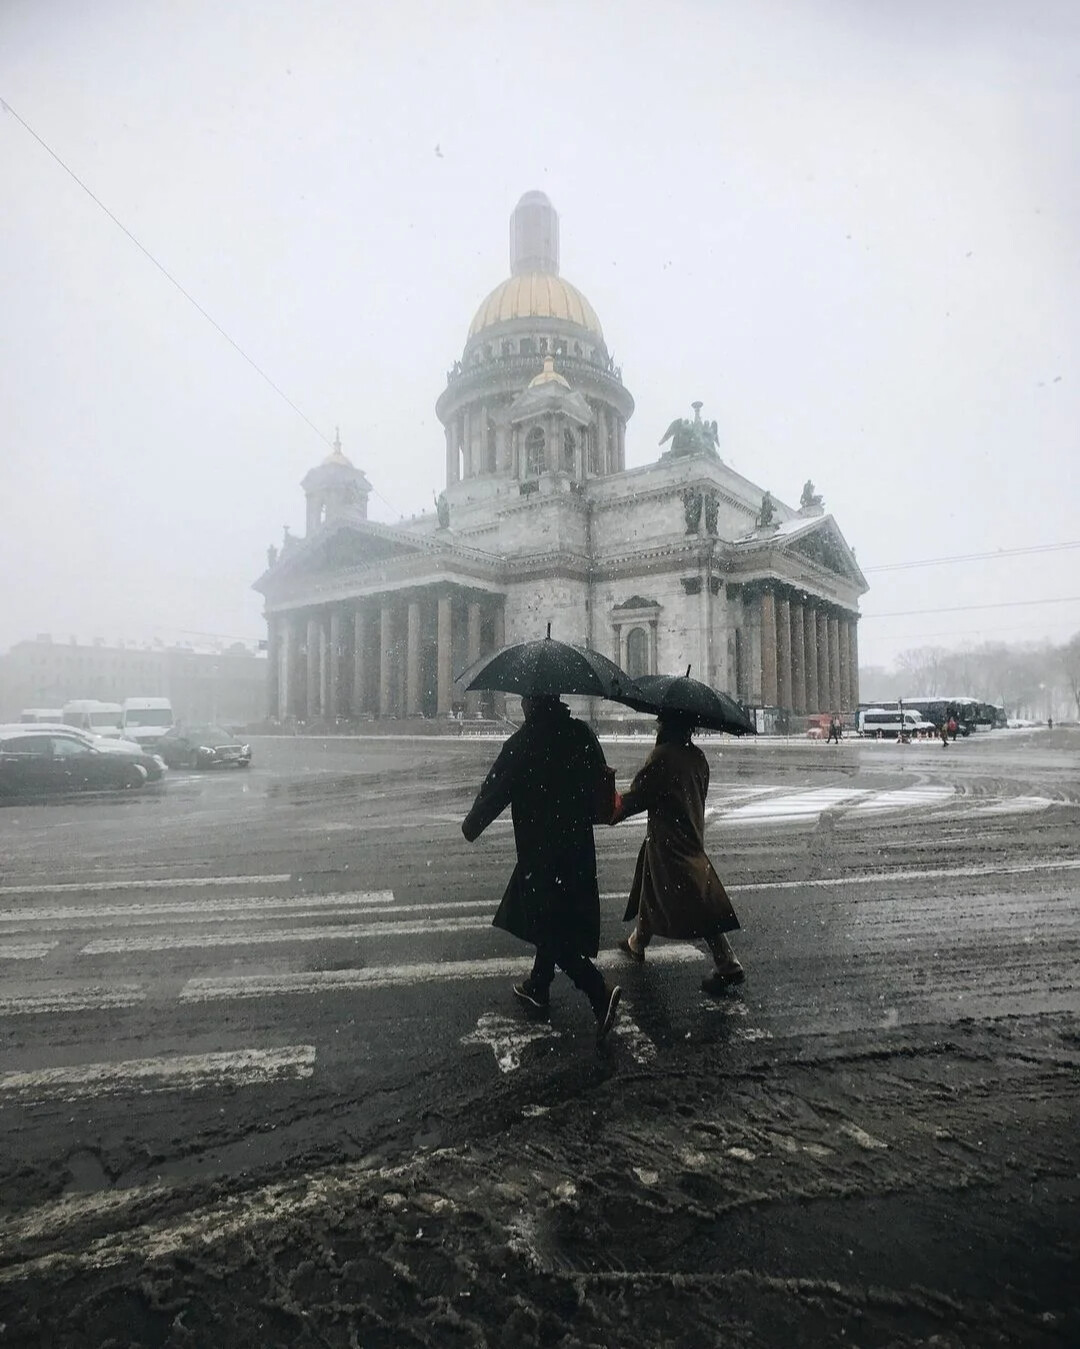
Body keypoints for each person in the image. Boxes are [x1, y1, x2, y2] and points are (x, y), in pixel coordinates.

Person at [461, 694, 622, 1041]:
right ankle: (538, 985)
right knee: (555, 919)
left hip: (539, 853)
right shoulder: (581, 734)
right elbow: (601, 785)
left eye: (524, 699)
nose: (520, 704)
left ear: (532, 703)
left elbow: (494, 791)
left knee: (547, 926)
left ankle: (598, 990)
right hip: (578, 850)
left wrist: (472, 825)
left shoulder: (523, 742)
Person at [612, 709, 743, 996]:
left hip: (670, 843)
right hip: (690, 835)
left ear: (667, 725)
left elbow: (638, 797)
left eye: (661, 721)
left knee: (699, 902)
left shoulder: (663, 758)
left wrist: (610, 809)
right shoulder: (698, 758)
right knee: (652, 882)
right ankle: (637, 942)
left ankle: (727, 961)